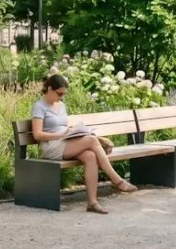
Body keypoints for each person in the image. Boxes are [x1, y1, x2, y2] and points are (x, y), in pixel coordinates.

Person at [30, 74, 136, 214]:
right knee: (92, 140)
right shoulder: (39, 107)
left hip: (65, 142)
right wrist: (60, 135)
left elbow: (62, 126)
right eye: (59, 93)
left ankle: (92, 203)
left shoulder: (61, 105)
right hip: (51, 146)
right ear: (49, 89)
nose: (61, 97)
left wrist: (71, 132)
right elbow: (37, 135)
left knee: (90, 156)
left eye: (64, 94)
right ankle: (117, 180)